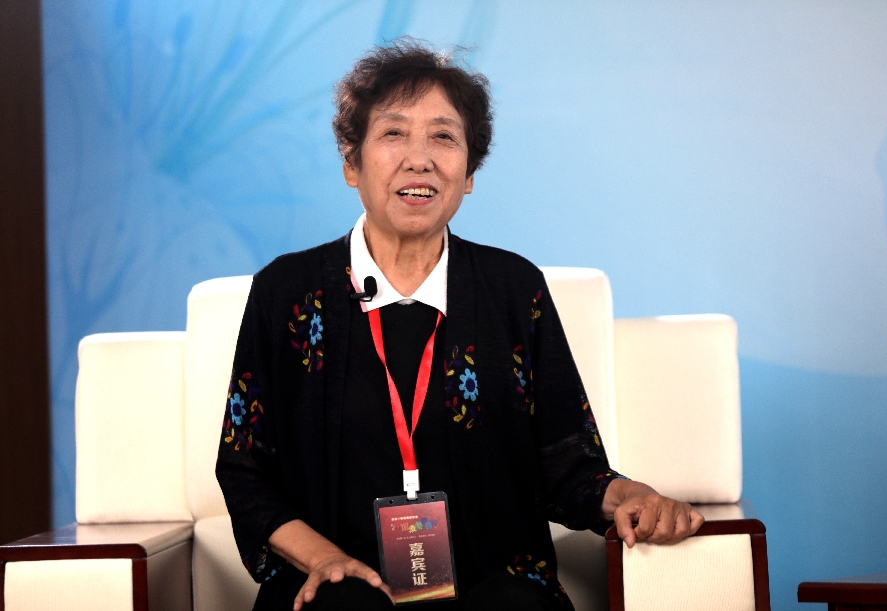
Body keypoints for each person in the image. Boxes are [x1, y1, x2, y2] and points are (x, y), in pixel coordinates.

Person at [216, 39, 704, 611]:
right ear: (351, 164)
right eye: (394, 133)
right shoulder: (286, 293)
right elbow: (245, 470)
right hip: (333, 582)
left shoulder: (513, 289)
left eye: (443, 137)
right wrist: (323, 559)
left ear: (469, 173)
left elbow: (568, 466)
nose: (419, 159)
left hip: (489, 583)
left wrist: (633, 495)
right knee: (345, 606)